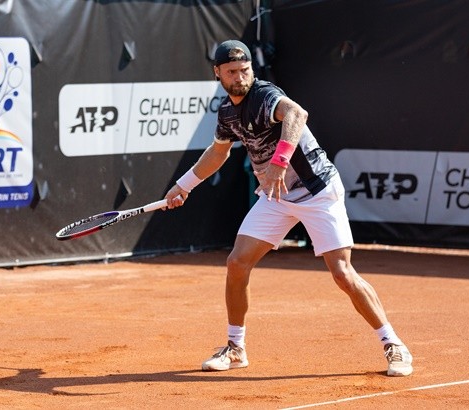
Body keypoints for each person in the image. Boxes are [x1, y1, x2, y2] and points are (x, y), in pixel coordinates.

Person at [165, 40, 413, 377]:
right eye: (232, 72)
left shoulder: (265, 95)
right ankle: (236, 348)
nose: (240, 77)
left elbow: (297, 113)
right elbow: (218, 152)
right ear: (218, 74)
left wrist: (279, 161)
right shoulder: (226, 112)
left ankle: (393, 344)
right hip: (276, 196)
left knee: (342, 273)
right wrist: (184, 186)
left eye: (245, 70)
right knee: (237, 263)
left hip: (317, 190)